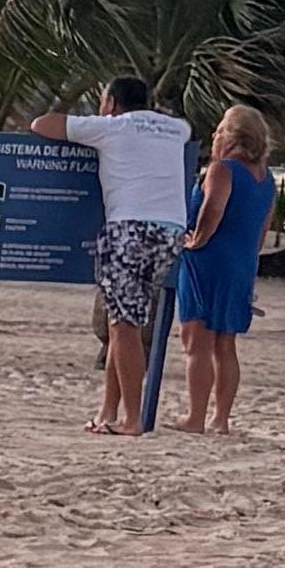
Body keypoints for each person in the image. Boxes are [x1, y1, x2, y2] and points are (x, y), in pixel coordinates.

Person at [58, 73, 195, 434]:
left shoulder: (111, 127)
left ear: (112, 103)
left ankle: (132, 418)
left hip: (129, 229)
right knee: (122, 324)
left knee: (125, 325)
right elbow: (184, 128)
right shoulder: (175, 128)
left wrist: (101, 121)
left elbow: (43, 124)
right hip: (170, 231)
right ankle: (108, 410)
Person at [174, 101, 277, 436]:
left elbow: (213, 210)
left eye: (219, 130)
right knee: (225, 343)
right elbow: (262, 229)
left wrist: (196, 240)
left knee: (197, 341)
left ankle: (195, 417)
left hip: (209, 260)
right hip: (241, 261)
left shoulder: (222, 170)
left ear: (232, 136)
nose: (214, 136)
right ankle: (221, 418)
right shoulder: (266, 178)